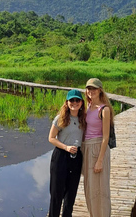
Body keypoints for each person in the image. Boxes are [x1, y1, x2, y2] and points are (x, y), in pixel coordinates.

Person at [48, 89, 86, 217]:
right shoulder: (61, 118)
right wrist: (66, 147)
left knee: (71, 194)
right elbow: (51, 138)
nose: (74, 103)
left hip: (76, 158)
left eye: (77, 100)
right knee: (56, 194)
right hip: (61, 157)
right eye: (71, 100)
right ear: (67, 102)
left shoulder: (83, 119)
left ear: (81, 103)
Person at [81, 78, 114, 217]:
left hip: (97, 148)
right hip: (86, 148)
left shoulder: (104, 109)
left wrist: (100, 160)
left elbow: (106, 137)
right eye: (89, 88)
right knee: (89, 187)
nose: (91, 91)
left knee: (100, 188)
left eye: (94, 88)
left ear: (100, 90)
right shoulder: (87, 106)